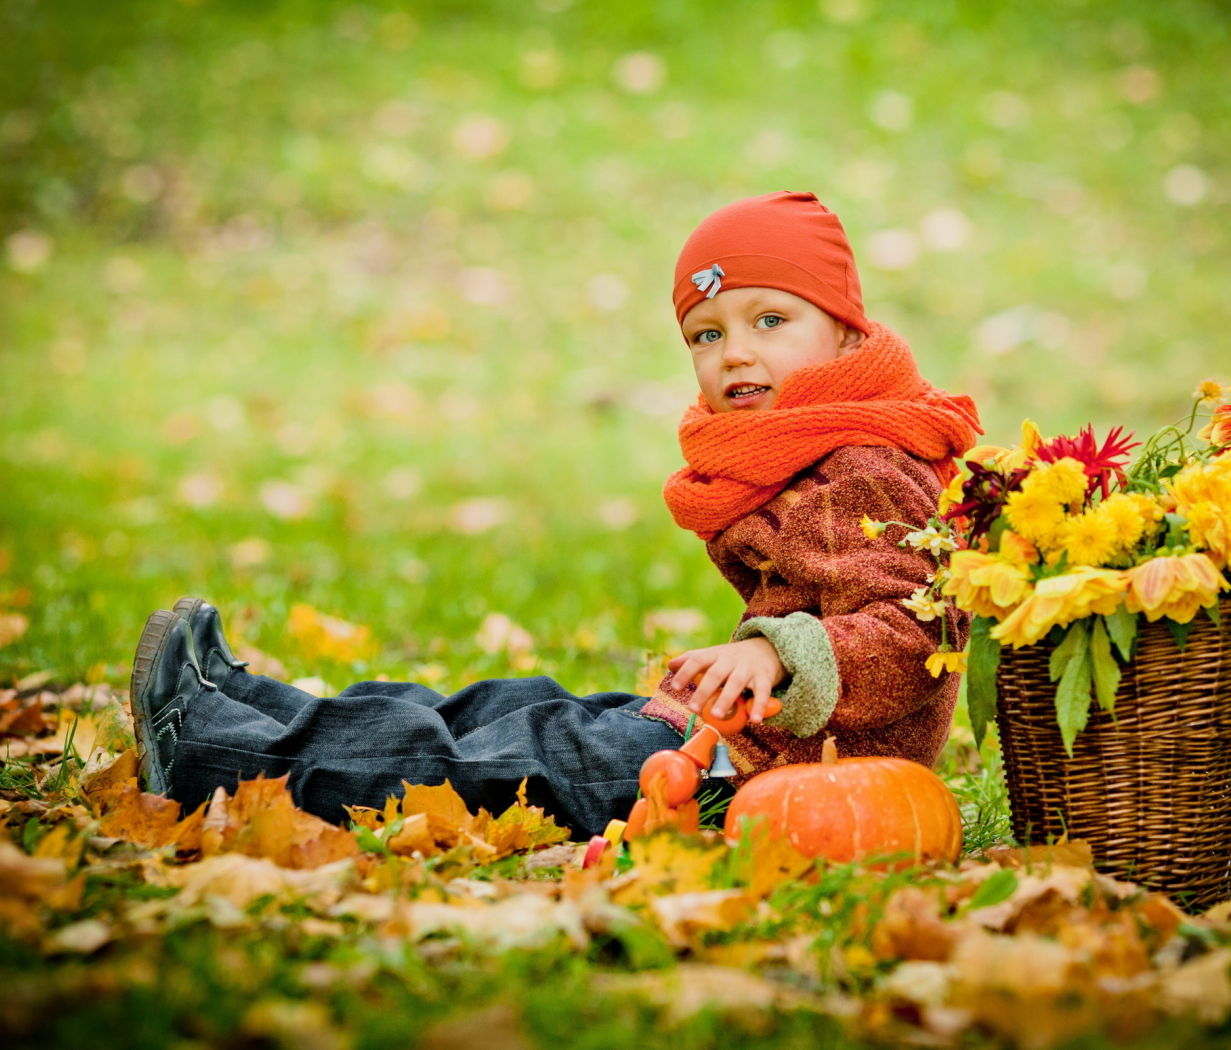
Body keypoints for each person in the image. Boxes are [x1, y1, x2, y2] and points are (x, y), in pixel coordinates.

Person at [128, 191, 981, 836]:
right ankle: (252, 703)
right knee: (504, 706)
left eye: (769, 319)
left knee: (499, 761)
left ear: (842, 333)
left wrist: (781, 654)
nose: (736, 352)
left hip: (773, 781)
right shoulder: (814, 445)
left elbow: (917, 637)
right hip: (726, 738)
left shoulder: (869, 462)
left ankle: (213, 753)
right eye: (707, 334)